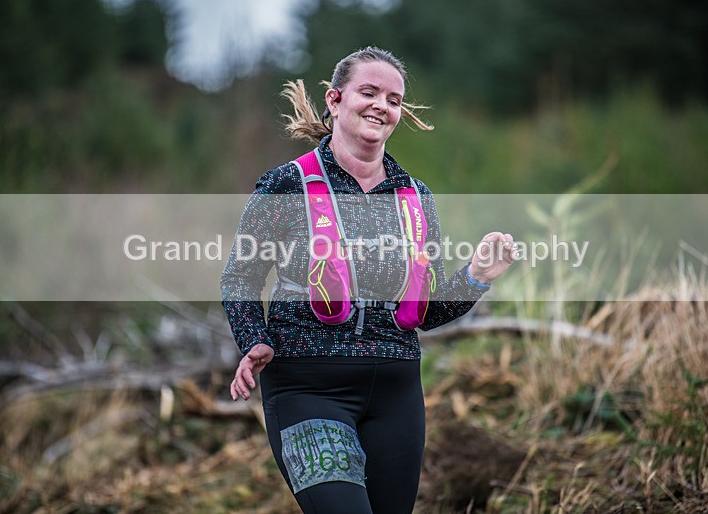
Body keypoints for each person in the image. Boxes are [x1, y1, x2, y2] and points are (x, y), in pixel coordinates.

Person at [221, 46, 515, 514]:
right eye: (370, 92)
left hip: (396, 395)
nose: (382, 104)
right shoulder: (285, 184)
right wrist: (252, 338)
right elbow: (239, 277)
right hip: (306, 390)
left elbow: (424, 310)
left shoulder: (417, 197)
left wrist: (476, 277)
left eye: (394, 99)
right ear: (335, 100)